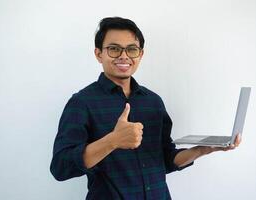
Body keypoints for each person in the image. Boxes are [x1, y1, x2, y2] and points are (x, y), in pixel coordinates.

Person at [50, 17, 241, 200]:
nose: (124, 56)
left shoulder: (153, 101)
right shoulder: (82, 102)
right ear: (99, 54)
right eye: (114, 49)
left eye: (131, 49)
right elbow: (60, 167)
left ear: (140, 54)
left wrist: (204, 149)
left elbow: (166, 160)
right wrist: (112, 141)